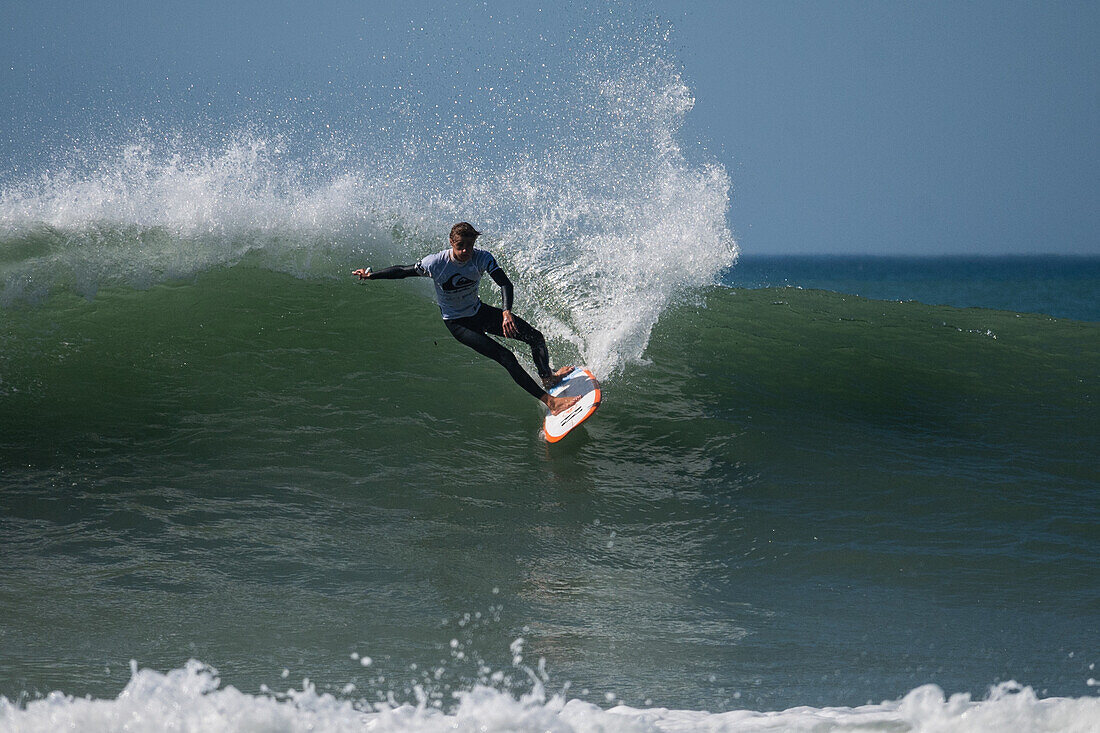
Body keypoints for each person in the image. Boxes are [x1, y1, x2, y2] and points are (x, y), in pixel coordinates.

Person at [353, 222, 581, 416]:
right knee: (506, 356)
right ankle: (551, 402)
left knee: (535, 337)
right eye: (460, 246)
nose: (465, 251)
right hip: (458, 324)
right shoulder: (436, 263)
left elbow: (504, 283)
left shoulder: (482, 258)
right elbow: (403, 271)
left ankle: (547, 378)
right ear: (452, 242)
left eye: (469, 246)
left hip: (478, 312)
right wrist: (371, 275)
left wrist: (506, 311)